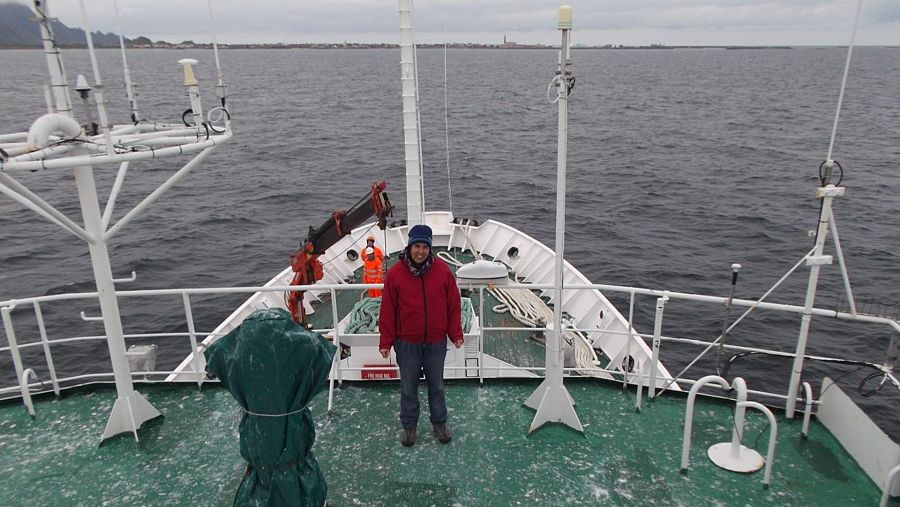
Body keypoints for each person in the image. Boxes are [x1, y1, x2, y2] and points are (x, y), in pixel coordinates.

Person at [379, 224, 463, 447]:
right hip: (407, 343)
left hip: (435, 341)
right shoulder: (395, 274)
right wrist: (386, 341)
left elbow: (453, 305)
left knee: (437, 386)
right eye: (416, 246)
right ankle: (409, 427)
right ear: (409, 247)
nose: (420, 251)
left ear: (430, 248)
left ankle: (439, 423)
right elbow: (387, 311)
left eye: (425, 247)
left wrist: (455, 333)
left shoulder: (442, 271)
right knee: (408, 387)